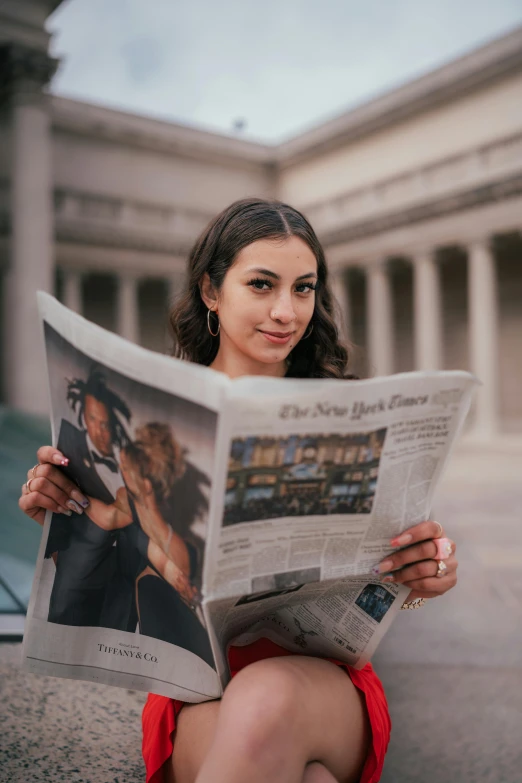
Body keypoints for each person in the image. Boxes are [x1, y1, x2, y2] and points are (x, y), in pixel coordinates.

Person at [19, 198, 458, 783]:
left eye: (304, 289)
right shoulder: (153, 421)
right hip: (196, 693)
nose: (286, 311)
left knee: (268, 697)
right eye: (261, 284)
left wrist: (429, 573)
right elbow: (113, 542)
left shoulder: (350, 413)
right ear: (210, 292)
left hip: (322, 684)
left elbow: (399, 554)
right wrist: (58, 506)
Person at [84, 421, 215, 667]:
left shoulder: (181, 546)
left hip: (183, 654)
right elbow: (103, 518)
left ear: (144, 484)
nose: (120, 473)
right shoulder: (128, 508)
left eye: (125, 467)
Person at [44, 366, 139, 630]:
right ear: (82, 416)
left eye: (106, 423)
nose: (100, 432)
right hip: (77, 572)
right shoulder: (68, 444)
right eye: (92, 420)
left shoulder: (131, 456)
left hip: (124, 581)